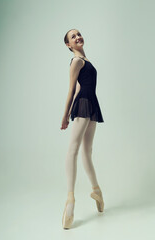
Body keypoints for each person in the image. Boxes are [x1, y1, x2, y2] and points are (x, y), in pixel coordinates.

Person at [60, 29, 104, 229]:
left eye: (79, 34)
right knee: (73, 150)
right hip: (85, 103)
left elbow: (79, 87)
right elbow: (71, 89)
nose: (78, 37)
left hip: (91, 103)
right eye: (73, 37)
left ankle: (97, 191)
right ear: (69, 45)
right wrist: (65, 116)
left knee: (87, 151)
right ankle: (70, 200)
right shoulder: (76, 61)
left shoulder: (85, 61)